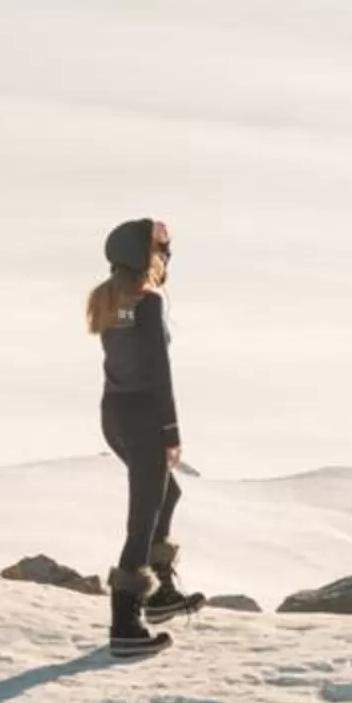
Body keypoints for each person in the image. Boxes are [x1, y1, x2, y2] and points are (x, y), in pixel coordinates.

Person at [89, 216, 200, 658]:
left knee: (165, 496)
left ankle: (159, 596)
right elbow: (159, 372)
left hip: (114, 412)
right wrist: (171, 430)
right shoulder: (148, 302)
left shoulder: (107, 299)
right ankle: (125, 626)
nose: (166, 257)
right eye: (161, 250)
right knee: (143, 517)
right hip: (144, 415)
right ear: (143, 255)